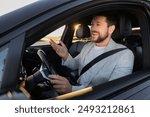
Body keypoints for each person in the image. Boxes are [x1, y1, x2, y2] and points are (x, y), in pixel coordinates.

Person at [49, 14, 134, 94]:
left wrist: (71, 89)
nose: (92, 29)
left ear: (111, 29)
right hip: (76, 87)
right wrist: (65, 55)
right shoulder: (88, 46)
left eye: (98, 24)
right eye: (92, 25)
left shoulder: (125, 55)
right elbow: (76, 64)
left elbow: (112, 90)